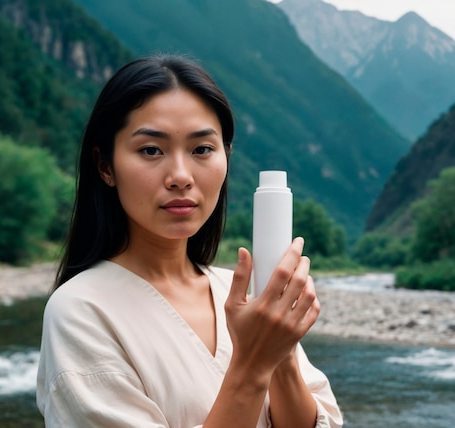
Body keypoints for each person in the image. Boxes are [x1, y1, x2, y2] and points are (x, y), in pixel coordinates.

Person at [36, 54, 343, 428]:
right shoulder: (80, 310)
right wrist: (253, 364)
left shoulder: (241, 292)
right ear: (105, 166)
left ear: (226, 158)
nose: (180, 176)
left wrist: (281, 356)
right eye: (151, 150)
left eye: (202, 150)